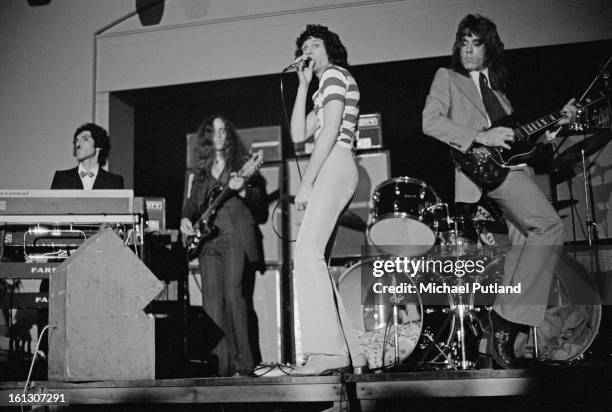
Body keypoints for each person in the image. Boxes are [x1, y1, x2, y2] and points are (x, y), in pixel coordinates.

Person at [422, 14, 577, 368]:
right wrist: (481, 136)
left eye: (476, 44)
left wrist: (556, 124)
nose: (469, 51)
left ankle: (501, 346)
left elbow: (520, 143)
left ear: (489, 48)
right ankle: (506, 319)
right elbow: (430, 122)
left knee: (523, 248)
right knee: (549, 227)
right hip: (483, 169)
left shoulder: (501, 95)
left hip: (512, 167)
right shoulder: (447, 77)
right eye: (464, 42)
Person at [288, 24, 366, 376]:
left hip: (335, 161)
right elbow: (298, 133)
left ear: (329, 49)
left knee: (304, 253)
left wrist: (308, 183)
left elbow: (331, 132)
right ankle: (351, 351)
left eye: (315, 44)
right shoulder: (321, 87)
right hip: (334, 163)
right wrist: (303, 86)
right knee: (313, 256)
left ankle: (326, 352)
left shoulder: (335, 74)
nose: (309, 50)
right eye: (305, 46)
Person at [180, 115, 268, 377]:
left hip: (235, 238)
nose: (218, 135)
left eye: (222, 131)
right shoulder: (201, 170)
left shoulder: (242, 164)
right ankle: (219, 365)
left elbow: (260, 206)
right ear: (207, 138)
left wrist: (243, 190)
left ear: (228, 135)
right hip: (208, 241)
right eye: (213, 131)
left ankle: (244, 364)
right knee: (211, 303)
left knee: (235, 296)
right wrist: (185, 219)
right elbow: (192, 204)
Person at [51, 123, 124, 189]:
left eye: (85, 139)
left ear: (99, 145)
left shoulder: (114, 181)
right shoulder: (61, 178)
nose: (77, 145)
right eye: (76, 141)